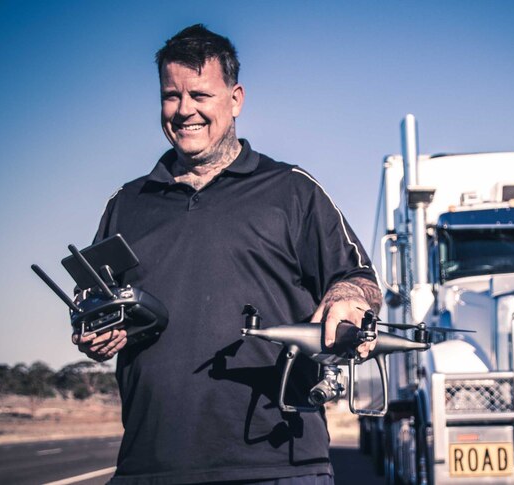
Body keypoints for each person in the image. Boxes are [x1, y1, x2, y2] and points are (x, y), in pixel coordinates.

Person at [71, 24, 381, 484]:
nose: (184, 110)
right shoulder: (127, 203)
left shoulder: (292, 190)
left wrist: (348, 298)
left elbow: (359, 278)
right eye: (171, 96)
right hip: (149, 465)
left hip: (277, 463)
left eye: (200, 94)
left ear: (235, 99)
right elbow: (93, 304)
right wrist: (92, 331)